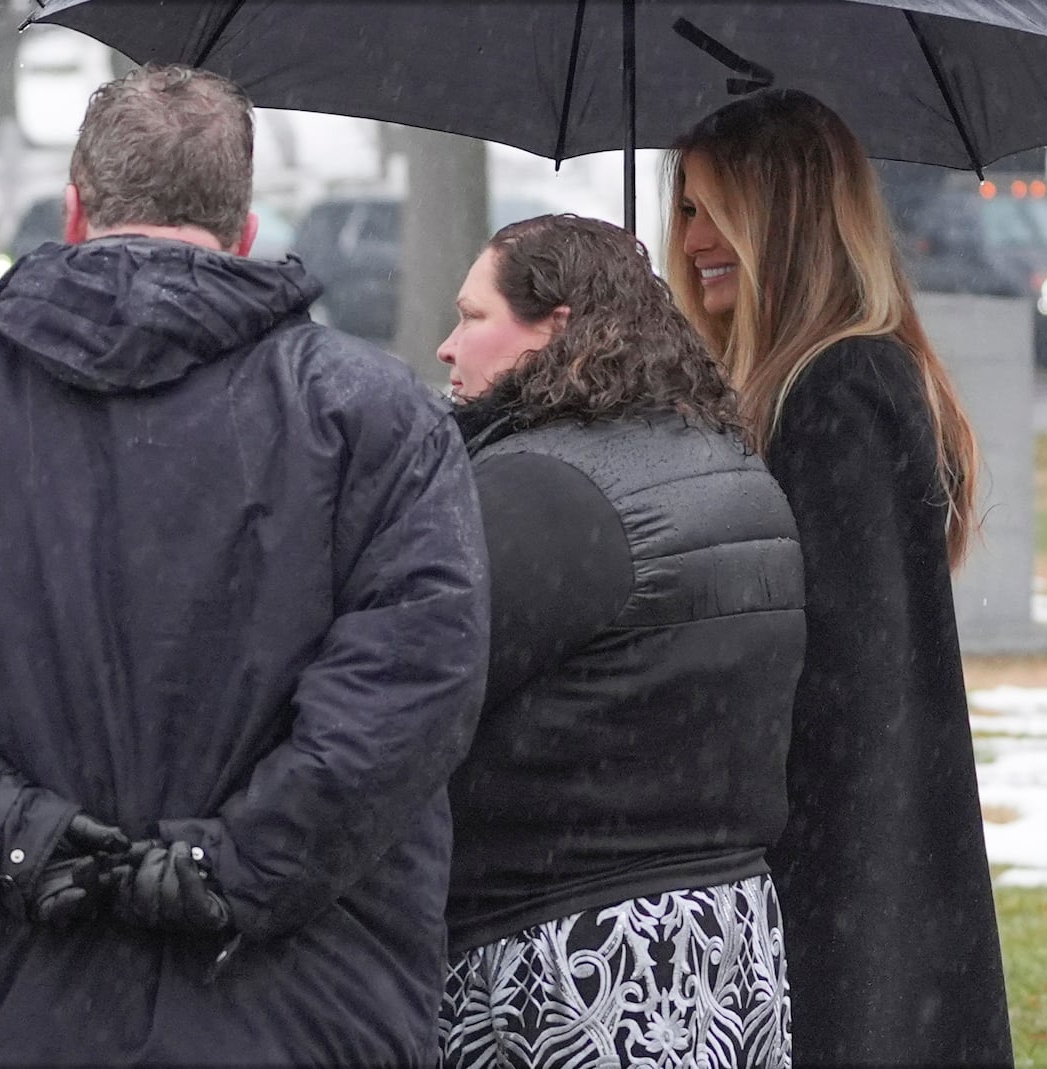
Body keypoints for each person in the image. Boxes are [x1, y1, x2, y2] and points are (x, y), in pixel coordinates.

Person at [0, 64, 490, 1068]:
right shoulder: (378, 422)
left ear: (74, 210)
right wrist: (230, 867)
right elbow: (409, 694)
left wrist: (18, 837)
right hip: (303, 1007)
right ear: (240, 226)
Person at [666, 88, 1013, 1067]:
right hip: (856, 860)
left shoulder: (835, 390)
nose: (691, 237)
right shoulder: (833, 379)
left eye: (715, 207)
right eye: (684, 206)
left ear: (789, 215)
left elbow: (840, 676)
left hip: (835, 870)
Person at [433, 213, 806, 1068]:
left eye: (473, 317)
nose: (448, 347)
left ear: (554, 328)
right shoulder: (733, 467)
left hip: (567, 950)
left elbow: (420, 691)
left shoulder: (543, 492)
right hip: (724, 936)